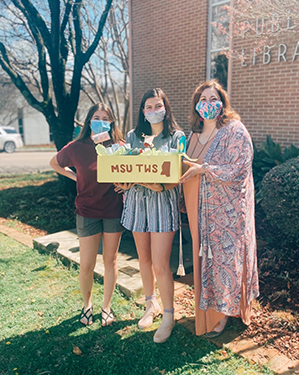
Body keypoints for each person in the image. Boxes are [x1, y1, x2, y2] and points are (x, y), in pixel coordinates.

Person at [180, 80, 259, 338]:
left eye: (214, 99)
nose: (208, 104)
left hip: (226, 214)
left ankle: (221, 314)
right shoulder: (192, 136)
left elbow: (241, 167)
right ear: (196, 105)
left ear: (222, 103)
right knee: (204, 261)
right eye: (203, 99)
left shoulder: (234, 131)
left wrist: (205, 170)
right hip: (198, 211)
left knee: (224, 262)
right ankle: (208, 311)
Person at [115, 88, 184, 343]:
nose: (154, 111)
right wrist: (122, 183)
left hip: (162, 206)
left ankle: (169, 315)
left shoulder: (177, 137)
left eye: (158, 105)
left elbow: (178, 175)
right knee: (143, 258)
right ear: (142, 111)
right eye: (149, 107)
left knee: (160, 263)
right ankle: (150, 304)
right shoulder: (133, 137)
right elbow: (125, 170)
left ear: (166, 107)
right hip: (136, 205)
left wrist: (160, 186)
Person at [49, 103, 124, 327]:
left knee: (110, 261)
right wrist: (75, 178)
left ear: (111, 123)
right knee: (86, 265)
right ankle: (87, 305)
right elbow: (55, 163)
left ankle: (107, 307)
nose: (100, 121)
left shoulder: (119, 147)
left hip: (113, 211)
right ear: (89, 120)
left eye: (105, 118)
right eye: (96, 117)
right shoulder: (76, 147)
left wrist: (126, 184)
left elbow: (131, 172)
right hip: (87, 211)